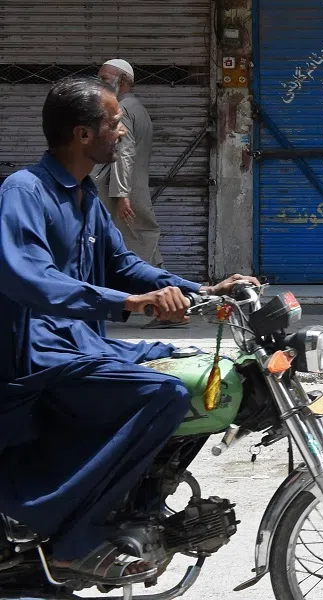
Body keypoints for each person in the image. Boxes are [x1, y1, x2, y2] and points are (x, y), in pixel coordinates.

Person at [0, 75, 258, 584]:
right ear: (82, 135)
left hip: (82, 346)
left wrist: (206, 291)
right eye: (114, 122)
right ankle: (75, 540)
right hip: (41, 357)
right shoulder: (24, 191)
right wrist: (128, 303)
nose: (121, 132)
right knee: (160, 394)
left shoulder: (85, 198)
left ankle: (143, 505)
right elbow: (29, 277)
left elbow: (126, 267)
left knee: (194, 369)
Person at [92, 59, 173, 329]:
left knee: (135, 243)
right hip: (131, 187)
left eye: (106, 78)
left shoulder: (123, 108)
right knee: (144, 242)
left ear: (123, 80)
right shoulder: (136, 106)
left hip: (123, 189)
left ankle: (171, 307)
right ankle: (170, 308)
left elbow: (124, 153)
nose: (100, 82)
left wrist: (121, 194)